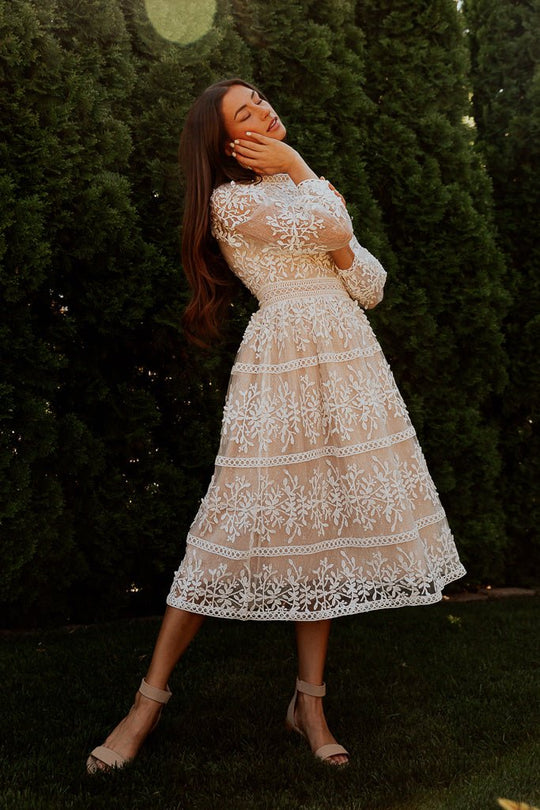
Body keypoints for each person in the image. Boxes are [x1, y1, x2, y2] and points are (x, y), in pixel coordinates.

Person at [86, 78, 466, 774]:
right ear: (229, 142)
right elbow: (332, 232)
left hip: (348, 362)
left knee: (316, 531)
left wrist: (316, 199)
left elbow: (370, 284)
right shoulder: (231, 203)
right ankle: (146, 703)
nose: (264, 108)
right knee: (226, 528)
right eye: (245, 111)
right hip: (284, 363)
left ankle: (309, 705)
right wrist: (305, 177)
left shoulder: (303, 188)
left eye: (259, 98)